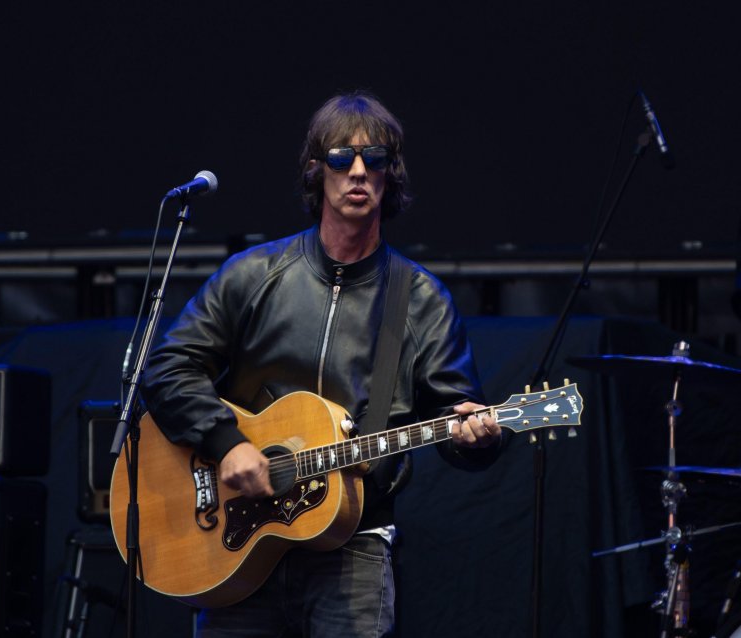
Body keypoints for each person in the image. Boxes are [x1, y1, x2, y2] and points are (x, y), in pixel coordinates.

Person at [140, 91, 502, 637]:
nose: (357, 171)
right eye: (341, 157)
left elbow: (454, 414)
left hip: (352, 547)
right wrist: (227, 442)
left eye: (374, 159)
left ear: (389, 175)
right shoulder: (254, 273)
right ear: (317, 170)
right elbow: (167, 368)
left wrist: (480, 435)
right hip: (235, 542)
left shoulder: (420, 299)